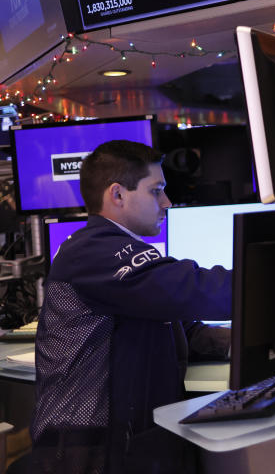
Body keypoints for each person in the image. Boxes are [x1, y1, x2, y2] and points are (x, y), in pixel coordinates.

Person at [24, 140, 232, 474]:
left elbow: (178, 324)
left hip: (125, 440)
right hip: (90, 453)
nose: (167, 202)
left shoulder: (108, 251)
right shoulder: (93, 251)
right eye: (156, 191)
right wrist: (273, 279)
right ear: (117, 194)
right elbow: (190, 289)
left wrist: (236, 341)